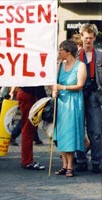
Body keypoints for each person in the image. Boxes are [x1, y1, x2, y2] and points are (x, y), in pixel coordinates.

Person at [53, 40, 87, 177]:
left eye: (61, 50)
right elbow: (54, 82)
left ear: (68, 52)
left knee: (70, 133)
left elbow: (80, 85)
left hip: (73, 103)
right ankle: (64, 165)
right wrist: (54, 89)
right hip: (61, 102)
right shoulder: (60, 65)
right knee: (61, 133)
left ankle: (70, 165)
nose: (59, 52)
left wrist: (63, 87)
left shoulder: (80, 66)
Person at [75, 23, 102, 174]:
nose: (88, 41)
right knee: (78, 129)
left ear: (94, 38)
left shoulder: (100, 55)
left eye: (90, 38)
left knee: (96, 130)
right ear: (81, 37)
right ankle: (81, 160)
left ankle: (97, 161)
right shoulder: (76, 55)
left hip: (94, 95)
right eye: (85, 38)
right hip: (78, 94)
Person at [9, 86, 47, 170]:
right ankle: (27, 161)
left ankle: (27, 160)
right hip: (29, 94)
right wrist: (44, 100)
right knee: (28, 128)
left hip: (26, 93)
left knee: (28, 126)